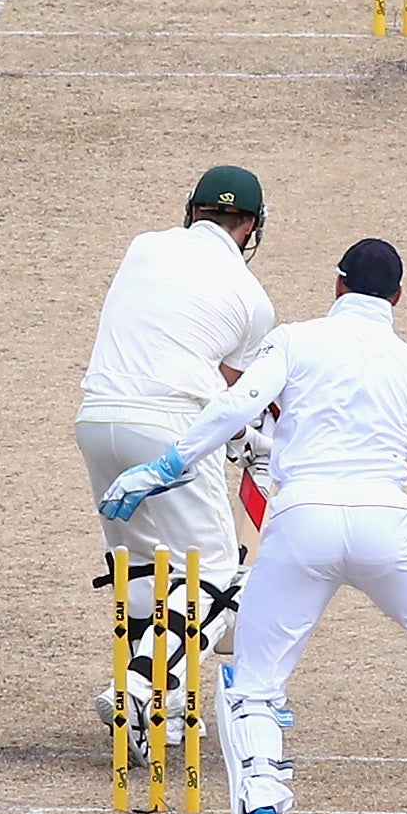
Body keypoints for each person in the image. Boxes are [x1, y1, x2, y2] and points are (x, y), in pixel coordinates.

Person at [100, 238, 407, 814]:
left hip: (302, 522)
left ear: (337, 286)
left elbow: (238, 405)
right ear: (398, 297)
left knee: (256, 679)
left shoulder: (295, 340)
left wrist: (165, 465)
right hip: (388, 527)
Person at [76, 166, 278, 760]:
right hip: (167, 430)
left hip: (96, 419)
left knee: (143, 568)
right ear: (249, 226)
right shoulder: (252, 298)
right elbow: (234, 393)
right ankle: (139, 686)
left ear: (193, 211)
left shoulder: (144, 246)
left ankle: (154, 723)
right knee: (217, 572)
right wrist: (253, 446)